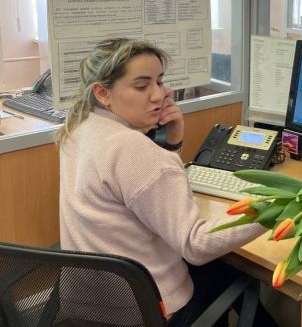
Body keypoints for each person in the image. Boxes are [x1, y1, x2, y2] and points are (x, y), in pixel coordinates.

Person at [57, 38, 274, 326]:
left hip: (90, 306)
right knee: (234, 277)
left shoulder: (79, 130)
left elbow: (138, 190)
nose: (158, 96)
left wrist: (169, 146)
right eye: (141, 85)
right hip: (148, 311)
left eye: (160, 82)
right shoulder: (134, 150)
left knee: (222, 272)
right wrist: (274, 211)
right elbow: (196, 245)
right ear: (102, 93)